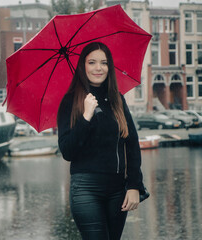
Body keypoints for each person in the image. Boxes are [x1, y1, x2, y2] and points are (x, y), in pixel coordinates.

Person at [57, 42, 146, 240]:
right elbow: (67, 151)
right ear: (83, 66)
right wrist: (86, 116)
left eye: (104, 63)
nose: (99, 68)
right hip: (86, 189)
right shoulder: (69, 101)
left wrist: (134, 185)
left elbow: (131, 144)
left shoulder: (117, 99)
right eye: (92, 62)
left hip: (117, 189)